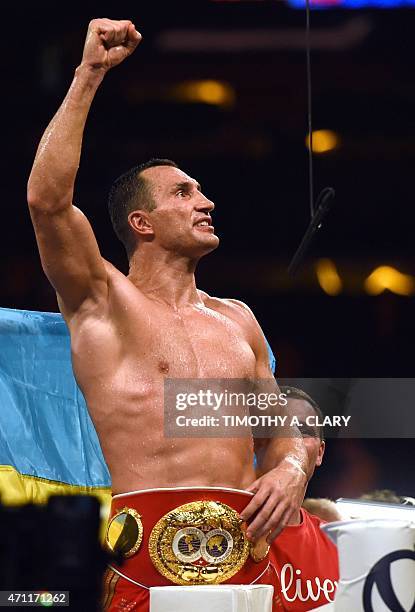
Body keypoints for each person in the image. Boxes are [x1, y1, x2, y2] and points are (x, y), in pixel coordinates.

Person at [27, 18, 308, 612]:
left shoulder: (238, 320)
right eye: (183, 193)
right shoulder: (101, 301)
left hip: (253, 568)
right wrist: (89, 74)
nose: (206, 203)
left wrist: (290, 472)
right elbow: (47, 202)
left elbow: (285, 433)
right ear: (141, 223)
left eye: (202, 192)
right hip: (144, 567)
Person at [269, 386, 339, 611]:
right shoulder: (219, 531)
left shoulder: (339, 544)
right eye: (275, 429)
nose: (290, 441)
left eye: (302, 430)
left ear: (319, 453)